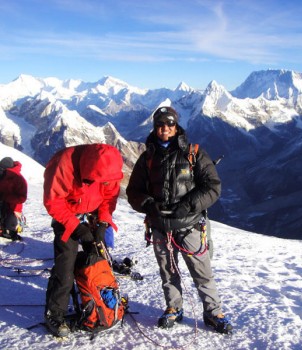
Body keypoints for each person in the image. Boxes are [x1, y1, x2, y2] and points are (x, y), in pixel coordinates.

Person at [126, 106, 233, 334]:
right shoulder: (147, 158)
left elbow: (212, 187)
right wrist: (148, 205)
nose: (164, 129)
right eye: (160, 125)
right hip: (160, 226)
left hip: (190, 226)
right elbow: (134, 191)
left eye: (169, 124)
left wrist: (187, 205)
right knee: (168, 272)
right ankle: (174, 308)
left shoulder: (193, 153)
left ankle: (213, 312)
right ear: (155, 127)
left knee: (202, 272)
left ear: (176, 126)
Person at [43, 143, 123, 337]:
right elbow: (54, 201)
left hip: (93, 215)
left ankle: (97, 305)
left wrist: (103, 222)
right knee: (65, 266)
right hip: (66, 216)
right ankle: (55, 313)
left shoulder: (108, 169)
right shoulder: (63, 164)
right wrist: (76, 227)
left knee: (97, 262)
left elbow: (109, 196)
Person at [0, 156, 27, 241]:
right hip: (2, 204)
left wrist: (5, 197)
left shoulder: (19, 179)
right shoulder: (2, 175)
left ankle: (11, 230)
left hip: (13, 208)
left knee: (9, 231)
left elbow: (22, 198)